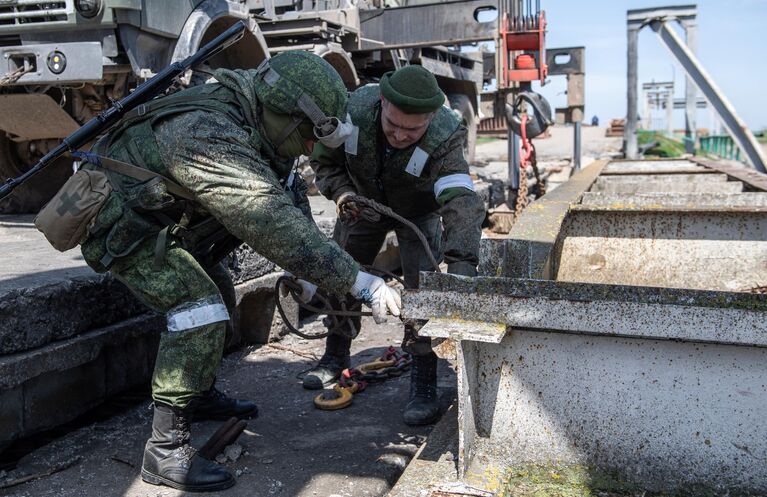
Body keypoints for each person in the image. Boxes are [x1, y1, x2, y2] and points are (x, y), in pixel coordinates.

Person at [71, 51, 400, 492]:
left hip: (165, 226)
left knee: (221, 293)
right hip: (127, 233)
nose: (311, 147)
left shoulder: (259, 117)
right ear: (287, 111)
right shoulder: (207, 132)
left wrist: (308, 274)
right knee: (198, 309)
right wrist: (358, 281)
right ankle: (165, 449)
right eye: (309, 133)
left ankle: (198, 394)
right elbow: (266, 218)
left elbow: (286, 195)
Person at [303, 65, 485, 426]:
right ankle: (335, 354)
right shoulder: (353, 110)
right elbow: (324, 162)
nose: (400, 136)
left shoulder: (446, 133)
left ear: (431, 118)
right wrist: (342, 194)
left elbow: (461, 202)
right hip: (360, 206)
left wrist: (462, 267)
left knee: (421, 291)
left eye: (412, 129)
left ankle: (424, 380)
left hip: (418, 215)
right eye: (393, 125)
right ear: (382, 103)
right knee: (341, 274)